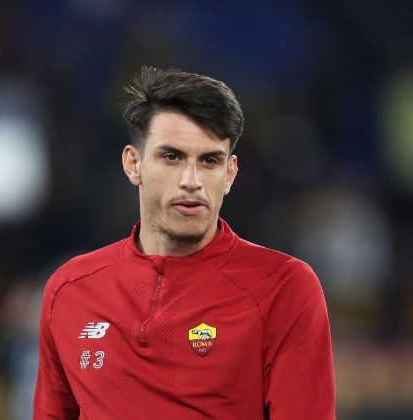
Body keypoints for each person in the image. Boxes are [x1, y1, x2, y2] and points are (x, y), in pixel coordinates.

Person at [33, 67, 335, 419]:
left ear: (230, 174)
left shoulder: (283, 287)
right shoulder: (70, 290)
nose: (191, 181)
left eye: (209, 161)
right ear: (133, 164)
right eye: (172, 157)